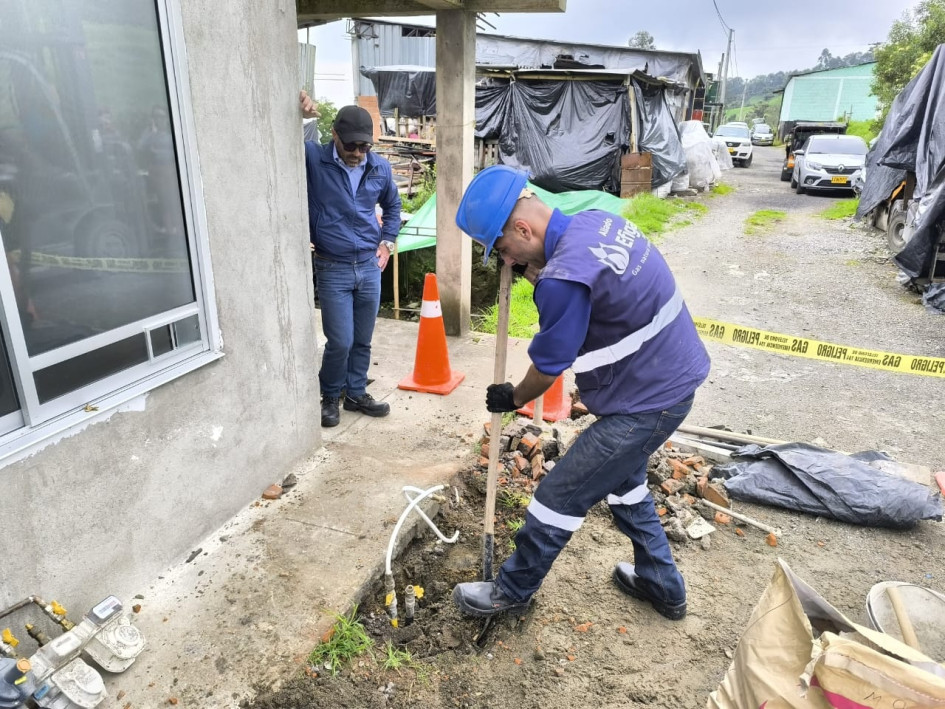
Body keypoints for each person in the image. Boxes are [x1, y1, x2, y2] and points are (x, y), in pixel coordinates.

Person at [452, 165, 710, 621]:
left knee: (559, 494)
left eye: (503, 249)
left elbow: (549, 367)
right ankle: (663, 586)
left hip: (648, 402)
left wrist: (512, 397)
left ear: (522, 227)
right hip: (668, 378)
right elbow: (610, 308)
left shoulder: (563, 279)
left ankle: (510, 592)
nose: (506, 261)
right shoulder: (594, 222)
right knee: (625, 484)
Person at [299, 91, 402, 427]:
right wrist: (302, 115)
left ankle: (356, 393)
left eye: (365, 146)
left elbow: (394, 207)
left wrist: (387, 242)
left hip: (369, 268)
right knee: (340, 340)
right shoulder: (316, 159)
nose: (358, 153)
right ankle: (329, 396)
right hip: (332, 267)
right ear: (335, 136)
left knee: (362, 339)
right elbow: (288, 145)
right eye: (351, 146)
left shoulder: (379, 167)